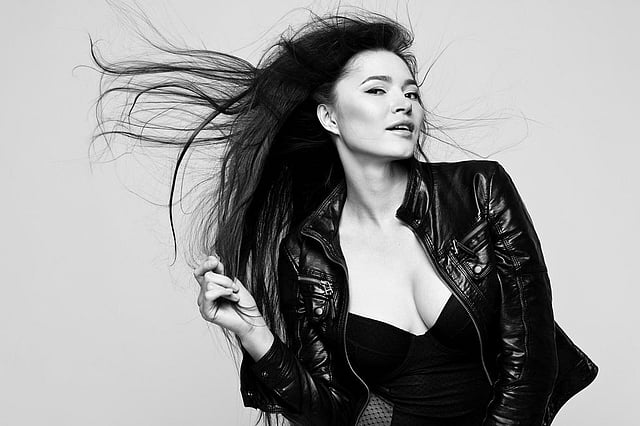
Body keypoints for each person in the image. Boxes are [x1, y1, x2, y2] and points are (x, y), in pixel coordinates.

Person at [92, 9, 598, 426]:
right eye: (377, 90)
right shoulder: (307, 252)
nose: (403, 104)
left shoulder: (478, 191)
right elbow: (332, 412)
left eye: (411, 92)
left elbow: (530, 362)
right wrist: (254, 334)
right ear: (330, 116)